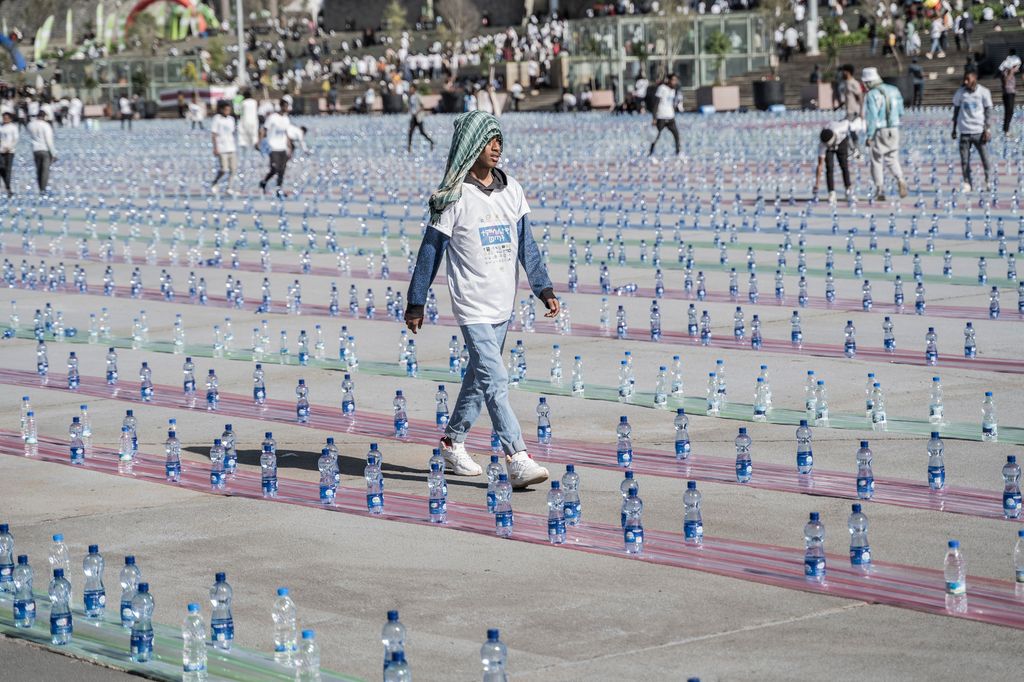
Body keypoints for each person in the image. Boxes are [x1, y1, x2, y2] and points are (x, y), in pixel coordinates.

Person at [404, 111, 556, 489]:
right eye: (489, 140)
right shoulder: (454, 197)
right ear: (470, 146)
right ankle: (517, 457)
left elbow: (527, 245)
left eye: (499, 140)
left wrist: (543, 288)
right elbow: (430, 251)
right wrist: (416, 301)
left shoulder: (512, 190)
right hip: (472, 305)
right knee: (496, 379)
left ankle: (453, 442)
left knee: (479, 377)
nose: (496, 147)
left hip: (503, 302)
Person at [862, 66, 908, 201]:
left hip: (879, 130)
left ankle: (880, 189)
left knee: (876, 160)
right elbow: (901, 111)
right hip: (894, 128)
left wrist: (869, 135)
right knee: (892, 158)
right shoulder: (894, 90)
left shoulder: (871, 95)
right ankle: (900, 179)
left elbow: (872, 116)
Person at [952, 67, 994, 193]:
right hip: (964, 131)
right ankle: (967, 183)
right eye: (964, 79)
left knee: (985, 158)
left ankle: (988, 181)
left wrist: (987, 129)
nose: (965, 82)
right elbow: (956, 110)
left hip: (979, 131)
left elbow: (988, 111)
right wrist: (954, 129)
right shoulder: (960, 93)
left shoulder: (984, 92)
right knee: (965, 160)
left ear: (974, 79)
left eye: (967, 79)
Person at [814, 117, 865, 204]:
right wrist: (817, 184)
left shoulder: (841, 127)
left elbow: (852, 127)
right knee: (829, 168)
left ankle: (848, 189)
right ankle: (831, 192)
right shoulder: (822, 145)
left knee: (844, 166)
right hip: (830, 147)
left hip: (841, 142)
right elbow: (820, 165)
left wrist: (855, 148)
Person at [258, 100, 292, 196]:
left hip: (283, 147)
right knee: (275, 168)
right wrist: (260, 142)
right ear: (280, 107)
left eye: (287, 106)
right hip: (273, 146)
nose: (286, 109)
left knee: (282, 170)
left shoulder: (286, 118)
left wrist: (289, 146)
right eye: (284, 106)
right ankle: (264, 182)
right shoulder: (272, 117)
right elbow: (264, 129)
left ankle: (278, 189)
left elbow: (286, 132)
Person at [649, 74, 681, 158]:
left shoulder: (673, 90)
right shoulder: (662, 88)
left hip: (670, 117)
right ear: (669, 80)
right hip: (661, 116)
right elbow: (656, 103)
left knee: (676, 135)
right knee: (656, 136)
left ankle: (678, 152)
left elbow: (672, 103)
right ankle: (650, 152)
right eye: (673, 80)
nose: (675, 82)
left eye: (676, 80)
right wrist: (654, 118)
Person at [210, 101, 237, 195]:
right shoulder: (217, 119)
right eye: (226, 110)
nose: (227, 111)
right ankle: (215, 181)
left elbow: (233, 132)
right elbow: (214, 134)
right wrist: (215, 147)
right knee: (224, 169)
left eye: (229, 110)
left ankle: (229, 188)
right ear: (221, 109)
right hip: (222, 147)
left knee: (233, 169)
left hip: (231, 147)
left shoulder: (231, 119)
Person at [26, 110, 56, 193]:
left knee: (38, 170)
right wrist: (53, 153)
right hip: (45, 149)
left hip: (35, 149)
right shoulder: (46, 125)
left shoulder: (31, 125)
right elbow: (49, 140)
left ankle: (40, 187)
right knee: (45, 171)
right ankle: (43, 189)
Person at [407, 85, 434, 152]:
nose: (410, 90)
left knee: (422, 132)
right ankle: (409, 147)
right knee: (410, 132)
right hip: (413, 117)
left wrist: (417, 112)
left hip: (418, 117)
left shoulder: (417, 96)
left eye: (411, 89)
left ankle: (431, 141)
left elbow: (422, 106)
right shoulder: (410, 97)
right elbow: (410, 106)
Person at [999, 49, 1020, 134]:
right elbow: (1006, 81)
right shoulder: (1006, 72)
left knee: (1009, 111)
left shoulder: (1009, 72)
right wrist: (1011, 72)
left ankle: (1006, 129)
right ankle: (1006, 130)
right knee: (1009, 111)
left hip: (1010, 92)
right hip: (1008, 93)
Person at [0, 111, 17, 196]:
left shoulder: (13, 127)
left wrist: (9, 147)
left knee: (8, 169)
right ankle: (7, 185)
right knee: (2, 168)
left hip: (10, 151)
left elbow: (15, 139)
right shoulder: (1, 127)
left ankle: (8, 187)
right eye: (4, 118)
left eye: (6, 118)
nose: (5, 119)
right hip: (1, 150)